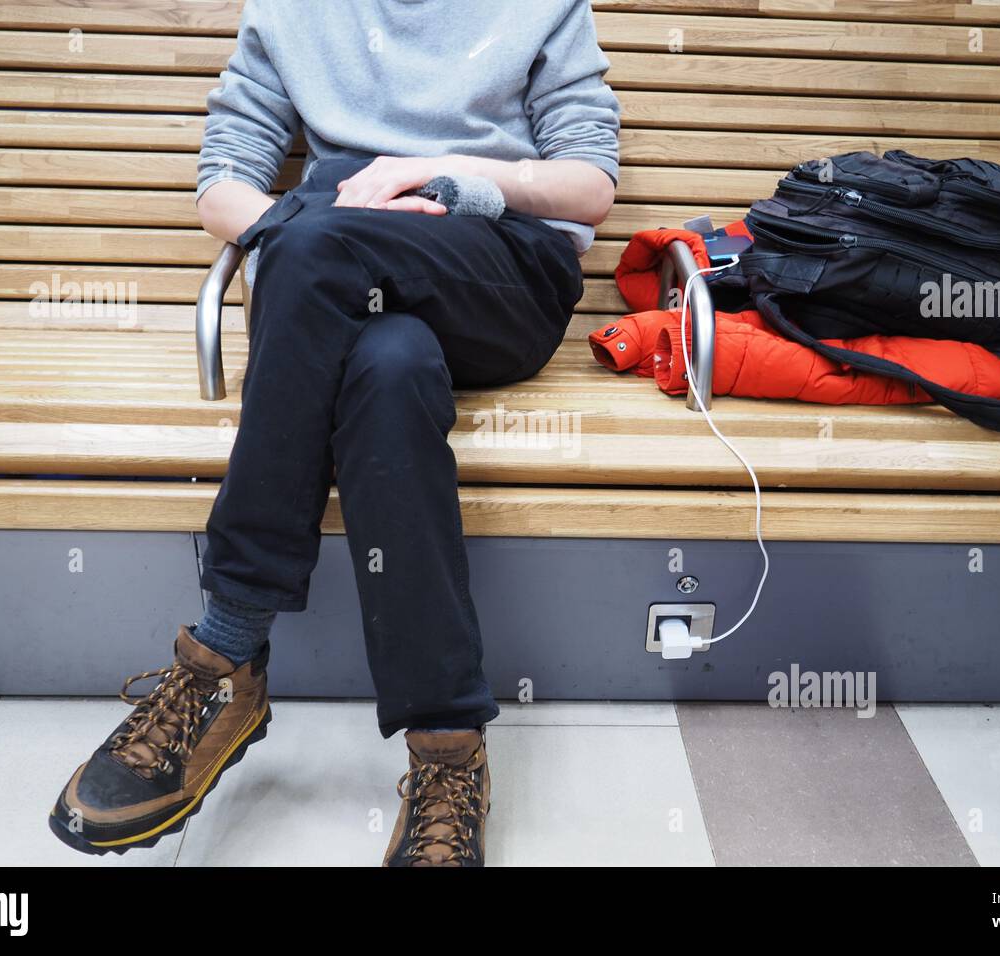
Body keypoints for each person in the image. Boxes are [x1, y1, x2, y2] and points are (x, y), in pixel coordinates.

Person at [48, 0, 620, 866]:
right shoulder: (292, 10)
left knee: (317, 254)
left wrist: (431, 175)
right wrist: (314, 233)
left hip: (497, 271)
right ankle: (448, 749)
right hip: (346, 286)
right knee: (387, 368)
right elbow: (224, 184)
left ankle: (224, 652)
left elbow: (588, 186)